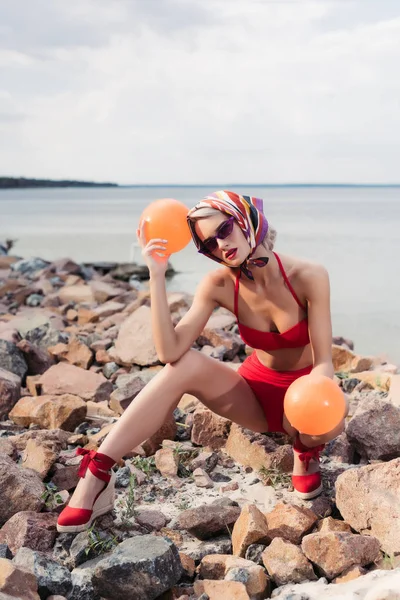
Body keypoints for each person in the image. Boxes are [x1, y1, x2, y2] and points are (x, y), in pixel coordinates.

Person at [57, 190, 348, 533]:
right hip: (254, 394)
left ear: (243, 220)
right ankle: (97, 473)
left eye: (224, 230)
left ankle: (304, 450)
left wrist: (317, 405)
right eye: (209, 245)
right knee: (183, 366)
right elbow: (169, 352)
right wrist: (156, 274)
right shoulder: (218, 284)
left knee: (330, 419)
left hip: (305, 393)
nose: (220, 246)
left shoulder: (309, 275)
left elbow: (324, 362)